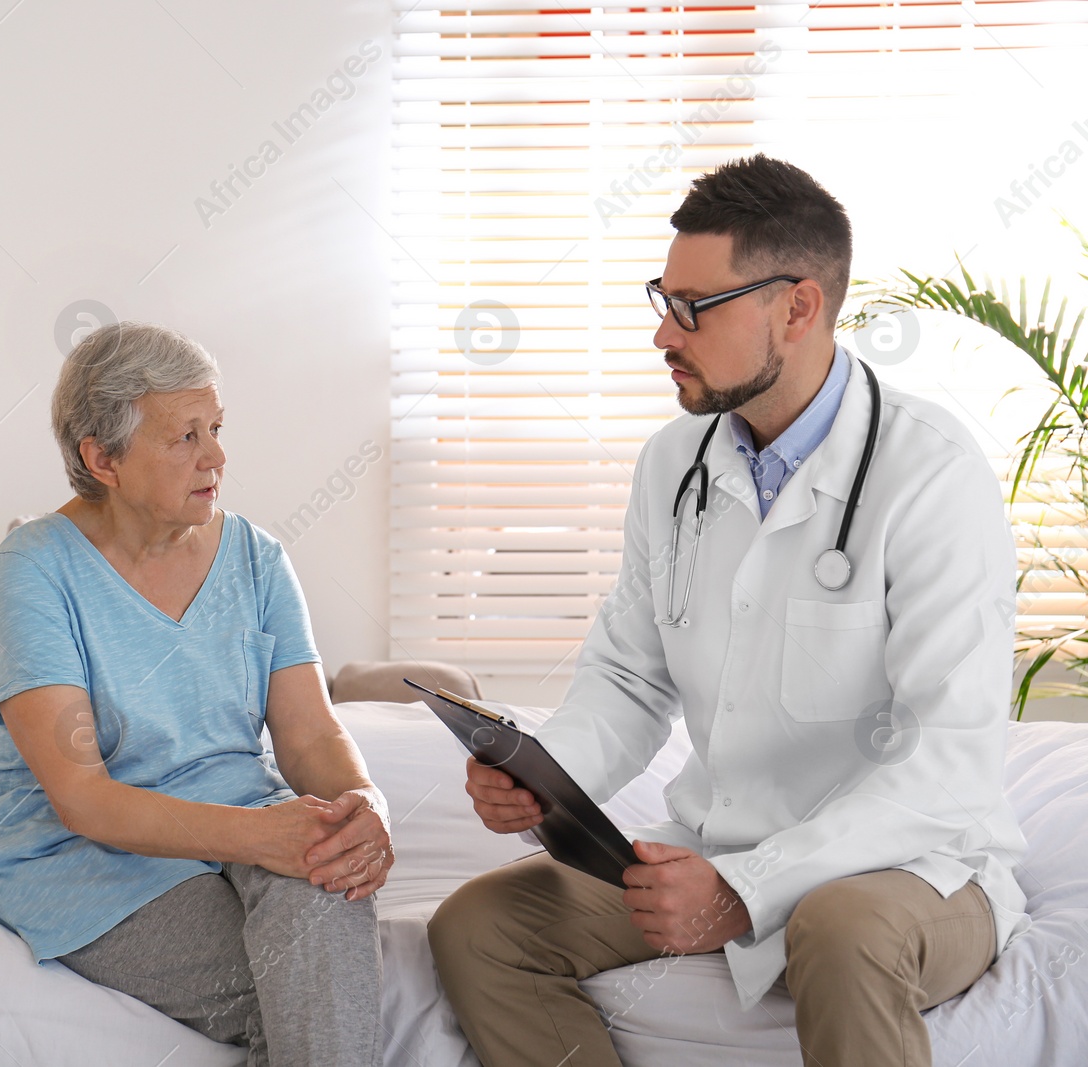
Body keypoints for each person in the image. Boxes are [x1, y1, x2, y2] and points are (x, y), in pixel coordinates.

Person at [426, 154, 1030, 1067]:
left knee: (842, 928)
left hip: (914, 861)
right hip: (715, 839)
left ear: (798, 307)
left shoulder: (933, 478)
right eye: (663, 300)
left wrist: (746, 888)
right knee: (479, 926)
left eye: (694, 308)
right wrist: (545, 775)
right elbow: (629, 677)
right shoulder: (674, 464)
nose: (664, 335)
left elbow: (945, 764)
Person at [0, 321, 392, 1067]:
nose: (217, 456)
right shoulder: (35, 566)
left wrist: (362, 806)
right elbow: (85, 798)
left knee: (325, 905)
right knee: (297, 991)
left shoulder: (257, 558)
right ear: (103, 459)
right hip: (87, 856)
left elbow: (309, 735)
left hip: (245, 818)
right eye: (184, 436)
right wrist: (265, 836)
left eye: (217, 428)